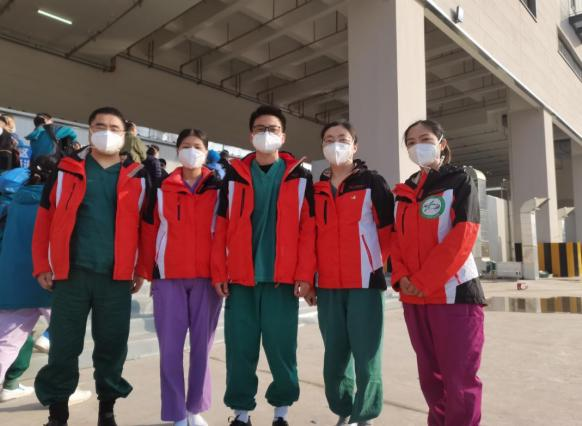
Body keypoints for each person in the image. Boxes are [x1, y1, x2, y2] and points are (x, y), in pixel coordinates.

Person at [32, 107, 150, 426]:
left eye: (114, 127)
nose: (106, 132)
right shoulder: (66, 169)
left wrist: (142, 269)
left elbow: (147, 227)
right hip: (71, 275)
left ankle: (107, 410)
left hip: (116, 278)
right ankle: (58, 413)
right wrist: (42, 263)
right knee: (63, 347)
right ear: (89, 130)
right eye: (100, 126)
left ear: (124, 135)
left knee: (112, 346)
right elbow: (44, 218)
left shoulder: (138, 176)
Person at [212, 105, 315, 426]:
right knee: (240, 351)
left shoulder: (300, 176)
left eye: (273, 129)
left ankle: (281, 411)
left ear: (283, 137)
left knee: (282, 351)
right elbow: (220, 227)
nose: (266, 134)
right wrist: (219, 271)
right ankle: (241, 413)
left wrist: (305, 274)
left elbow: (308, 230)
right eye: (260, 129)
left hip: (282, 281)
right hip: (241, 280)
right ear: (250, 135)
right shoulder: (233, 175)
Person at [391, 119, 486, 426]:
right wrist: (401, 277)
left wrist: (423, 280)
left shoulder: (460, 179)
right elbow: (396, 240)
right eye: (411, 142)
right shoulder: (404, 191)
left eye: (425, 139)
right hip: (414, 300)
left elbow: (463, 234)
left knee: (459, 380)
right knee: (431, 381)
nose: (418, 146)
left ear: (442, 144)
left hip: (454, 296)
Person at [310, 121, 393, 426]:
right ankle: (343, 409)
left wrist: (375, 266)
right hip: (328, 285)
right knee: (334, 357)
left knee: (367, 356)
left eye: (343, 139)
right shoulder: (315, 190)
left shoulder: (373, 182)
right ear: (322, 146)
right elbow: (309, 237)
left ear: (355, 146)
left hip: (365, 284)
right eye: (329, 139)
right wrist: (310, 278)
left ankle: (365, 415)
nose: (336, 144)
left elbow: (388, 231)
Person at [137, 129, 222, 426]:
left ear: (206, 151)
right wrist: (147, 272)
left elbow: (225, 232)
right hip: (168, 278)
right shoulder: (161, 187)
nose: (191, 151)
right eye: (186, 146)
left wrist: (222, 272)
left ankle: (194, 409)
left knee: (202, 348)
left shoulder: (219, 188)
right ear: (177, 151)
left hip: (206, 280)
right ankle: (175, 414)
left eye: (197, 146)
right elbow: (148, 231)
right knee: (170, 350)